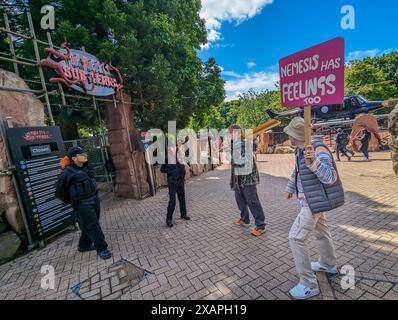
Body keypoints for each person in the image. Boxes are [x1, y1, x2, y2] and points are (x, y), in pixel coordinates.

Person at [284, 117, 344, 299]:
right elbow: (298, 170)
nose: (289, 138)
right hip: (312, 200)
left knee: (295, 238)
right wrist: (290, 187)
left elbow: (331, 177)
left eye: (291, 135)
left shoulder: (318, 150)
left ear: (299, 136)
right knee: (321, 232)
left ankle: (308, 284)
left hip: (313, 202)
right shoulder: (300, 150)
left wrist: (313, 163)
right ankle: (328, 264)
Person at [55, 147, 112, 260]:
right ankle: (102, 248)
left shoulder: (87, 167)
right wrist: (73, 201)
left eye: (85, 153)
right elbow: (59, 192)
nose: (85, 155)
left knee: (89, 224)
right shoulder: (68, 172)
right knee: (94, 225)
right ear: (74, 158)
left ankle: (83, 245)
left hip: (94, 199)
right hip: (82, 204)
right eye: (81, 154)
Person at [229, 124, 266, 236]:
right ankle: (245, 219)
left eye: (230, 133)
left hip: (248, 179)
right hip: (238, 179)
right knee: (239, 199)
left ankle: (260, 226)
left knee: (252, 201)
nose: (228, 135)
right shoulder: (235, 145)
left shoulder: (243, 145)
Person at [160, 142, 191, 227]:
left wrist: (183, 173)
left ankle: (183, 214)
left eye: (174, 147)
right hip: (172, 182)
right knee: (172, 201)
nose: (173, 149)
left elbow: (182, 166)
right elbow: (162, 169)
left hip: (180, 181)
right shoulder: (167, 158)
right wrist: (171, 171)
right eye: (171, 148)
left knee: (182, 199)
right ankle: (168, 219)